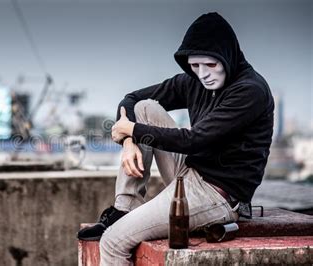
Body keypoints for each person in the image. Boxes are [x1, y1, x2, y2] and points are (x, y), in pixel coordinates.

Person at [77, 12, 274, 265]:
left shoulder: (250, 90)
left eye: (211, 65)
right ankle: (125, 207)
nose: (203, 74)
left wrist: (132, 131)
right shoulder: (193, 81)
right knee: (146, 107)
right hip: (189, 172)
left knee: (113, 242)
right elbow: (131, 100)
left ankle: (122, 223)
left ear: (228, 56)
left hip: (216, 195)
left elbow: (194, 139)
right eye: (195, 66)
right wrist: (128, 143)